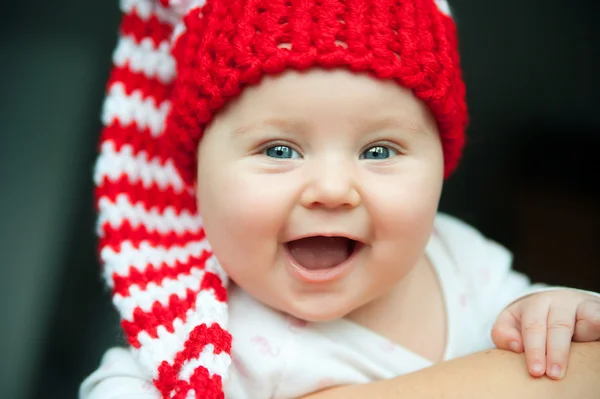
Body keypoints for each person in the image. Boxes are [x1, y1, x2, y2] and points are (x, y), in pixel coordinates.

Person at [80, 0, 600, 398]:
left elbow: (546, 326)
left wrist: (559, 311)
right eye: (279, 149)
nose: (331, 189)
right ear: (196, 176)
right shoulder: (208, 337)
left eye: (378, 150)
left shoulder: (463, 261)